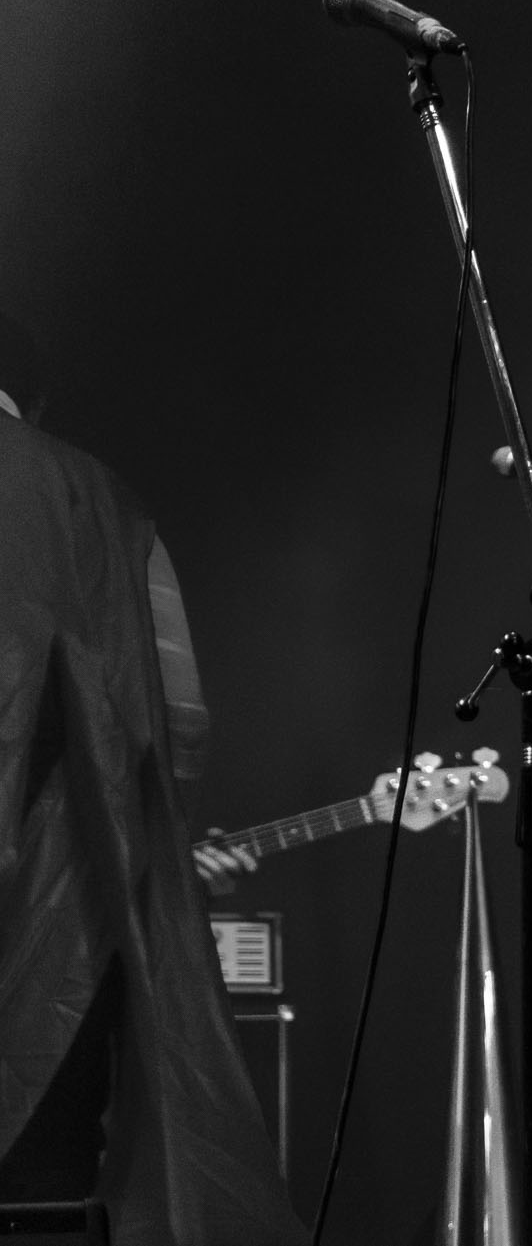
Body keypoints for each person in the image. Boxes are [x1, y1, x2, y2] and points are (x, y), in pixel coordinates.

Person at [0, 335, 306, 1244]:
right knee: (47, 1176)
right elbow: (179, 716)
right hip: (69, 907)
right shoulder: (106, 501)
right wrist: (158, 844)